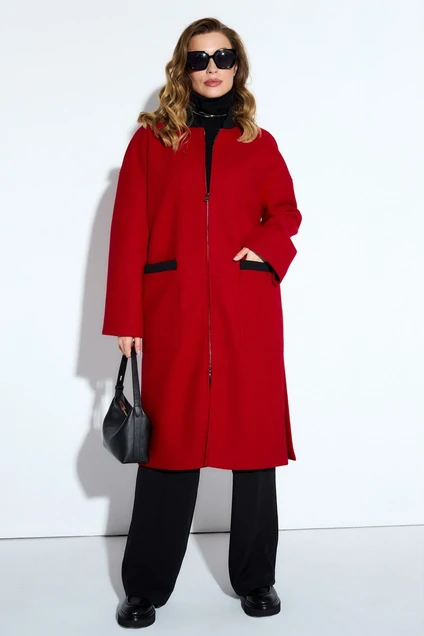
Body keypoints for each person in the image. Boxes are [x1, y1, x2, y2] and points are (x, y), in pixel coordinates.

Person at [102, 16, 302, 629]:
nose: (211, 68)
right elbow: (128, 231)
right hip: (175, 312)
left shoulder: (259, 143)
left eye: (222, 57)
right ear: (183, 69)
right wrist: (126, 316)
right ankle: (144, 588)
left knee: (255, 452)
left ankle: (256, 579)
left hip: (246, 313)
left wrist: (261, 249)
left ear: (237, 66)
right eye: (199, 59)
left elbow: (286, 213)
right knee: (168, 450)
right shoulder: (151, 142)